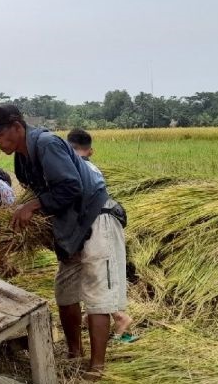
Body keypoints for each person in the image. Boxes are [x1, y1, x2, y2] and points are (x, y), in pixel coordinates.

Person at [0, 105, 124, 377]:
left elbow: (71, 187)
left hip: (96, 218)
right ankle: (74, 354)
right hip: (70, 225)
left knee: (97, 295)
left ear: (17, 127)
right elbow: (38, 192)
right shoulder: (22, 158)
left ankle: (96, 368)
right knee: (65, 291)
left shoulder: (47, 144)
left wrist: (33, 206)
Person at [67, 128, 135, 343]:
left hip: (99, 224)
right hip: (94, 224)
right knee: (93, 274)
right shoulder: (89, 166)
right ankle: (96, 317)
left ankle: (119, 319)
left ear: (67, 149)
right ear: (91, 151)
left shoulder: (78, 167)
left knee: (99, 276)